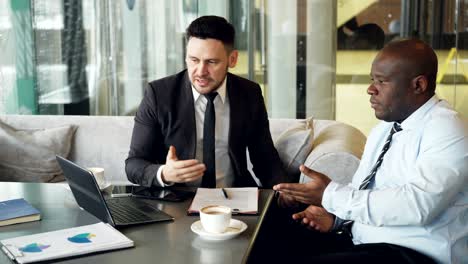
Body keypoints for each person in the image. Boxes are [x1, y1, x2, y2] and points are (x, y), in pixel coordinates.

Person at [273, 39, 467, 263]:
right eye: (372, 80)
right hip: (365, 243)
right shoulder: (385, 127)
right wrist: (335, 217)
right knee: (271, 240)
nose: (370, 89)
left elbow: (417, 206)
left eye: (382, 81)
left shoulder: (448, 129)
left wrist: (330, 195)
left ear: (418, 85)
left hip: (413, 254)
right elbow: (363, 192)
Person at [125, 16, 288, 188]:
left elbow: (264, 159)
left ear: (232, 59)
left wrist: (284, 190)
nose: (201, 72)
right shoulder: (159, 95)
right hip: (177, 200)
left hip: (233, 198)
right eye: (194, 60)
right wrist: (164, 173)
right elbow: (134, 164)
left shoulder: (249, 94)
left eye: (211, 62)